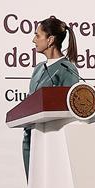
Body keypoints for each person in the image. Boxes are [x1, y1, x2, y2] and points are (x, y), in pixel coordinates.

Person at [22, 16, 81, 179]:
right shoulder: (38, 68)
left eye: (38, 35)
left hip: (51, 141)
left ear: (50, 40)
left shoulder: (67, 69)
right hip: (31, 138)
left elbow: (70, 111)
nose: (34, 40)